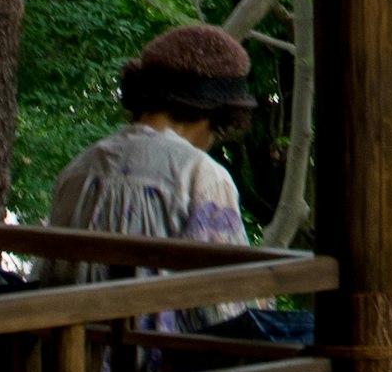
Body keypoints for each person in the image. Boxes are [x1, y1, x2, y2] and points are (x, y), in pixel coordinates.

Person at [41, 22, 259, 330]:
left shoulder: (81, 166)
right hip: (158, 366)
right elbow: (226, 305)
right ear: (216, 114)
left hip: (68, 356)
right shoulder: (201, 175)